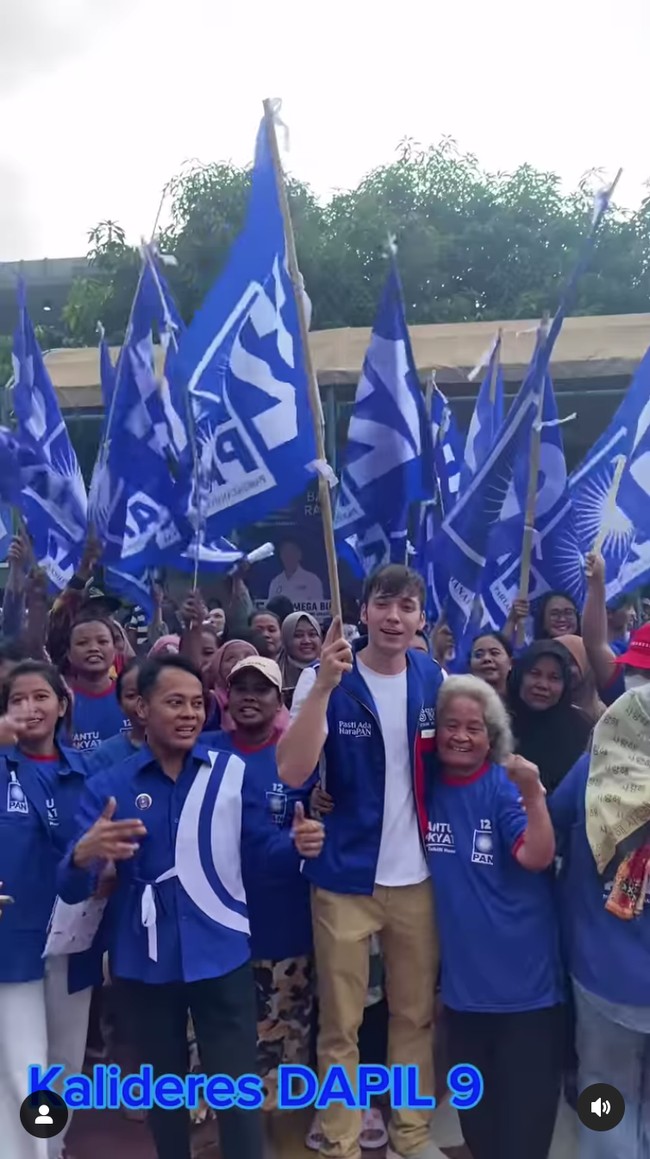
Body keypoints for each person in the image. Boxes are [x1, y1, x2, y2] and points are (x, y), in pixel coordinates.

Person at [58, 654, 323, 1159]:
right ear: (141, 708)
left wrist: (297, 845)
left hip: (222, 954)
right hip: (145, 962)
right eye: (174, 702)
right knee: (166, 1092)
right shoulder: (110, 787)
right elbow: (72, 889)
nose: (188, 714)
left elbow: (260, 851)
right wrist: (82, 857)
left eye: (197, 704)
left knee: (236, 1090)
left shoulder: (228, 774)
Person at [278, 564, 444, 1159]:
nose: (394, 617)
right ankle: (341, 1140)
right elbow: (293, 770)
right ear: (363, 611)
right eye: (383, 604)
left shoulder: (433, 676)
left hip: (417, 878)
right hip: (344, 876)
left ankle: (411, 1134)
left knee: (414, 1016)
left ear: (420, 618)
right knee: (341, 1023)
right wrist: (323, 686)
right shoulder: (327, 675)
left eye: (407, 606)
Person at [421, 675, 563, 1159]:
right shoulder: (426, 788)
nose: (460, 736)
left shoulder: (504, 787)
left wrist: (533, 794)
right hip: (464, 997)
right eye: (450, 725)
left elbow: (536, 856)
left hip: (526, 996)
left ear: (491, 736)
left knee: (522, 1135)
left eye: (474, 728)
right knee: (479, 1129)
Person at [207, 655, 322, 1154]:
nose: (250, 696)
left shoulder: (300, 759)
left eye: (263, 688)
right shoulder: (204, 754)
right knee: (220, 1048)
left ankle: (285, 1140)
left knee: (286, 1052)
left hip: (283, 931)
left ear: (280, 701)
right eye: (241, 688)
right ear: (227, 698)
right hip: (216, 934)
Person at [0, 661, 100, 1159]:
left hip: (73, 937)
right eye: (17, 699)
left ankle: (51, 1146)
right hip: (11, 937)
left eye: (40, 696)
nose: (30, 708)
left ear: (63, 705)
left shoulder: (89, 773)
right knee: (24, 1064)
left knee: (64, 1061)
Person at [549, 688, 650, 1158]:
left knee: (603, 1088)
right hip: (605, 968)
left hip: (602, 971)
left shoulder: (592, 773)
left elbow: (551, 831)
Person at [509, 640, 592, 793]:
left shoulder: (582, 729)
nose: (543, 685)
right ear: (519, 676)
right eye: (535, 674)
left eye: (554, 678)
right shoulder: (497, 723)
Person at [583, 551, 650, 704]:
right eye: (631, 669)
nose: (637, 677)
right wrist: (596, 583)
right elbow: (594, 644)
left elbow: (595, 644)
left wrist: (597, 583)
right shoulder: (620, 688)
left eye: (647, 672)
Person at [66, 614, 130, 751]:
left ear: (115, 649)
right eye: (82, 643)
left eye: (102, 641)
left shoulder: (132, 696)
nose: (93, 648)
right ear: (69, 654)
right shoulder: (61, 703)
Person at [83, 657, 147, 773]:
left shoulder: (180, 749)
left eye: (148, 692)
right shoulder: (104, 756)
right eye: (131, 696)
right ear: (120, 703)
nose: (140, 703)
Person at [554, 634, 605, 725]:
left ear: (586, 663)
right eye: (557, 663)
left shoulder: (607, 715)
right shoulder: (541, 713)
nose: (565, 670)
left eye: (570, 662)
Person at [280, 612, 322, 706]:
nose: (306, 641)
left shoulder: (332, 670)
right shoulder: (274, 673)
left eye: (312, 634)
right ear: (286, 639)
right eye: (298, 635)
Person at [268, 539, 324, 608]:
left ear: (299, 555)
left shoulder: (312, 580)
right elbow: (270, 609)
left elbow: (319, 609)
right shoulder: (275, 582)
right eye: (285, 553)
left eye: (291, 552)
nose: (288, 556)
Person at [469, 632, 513, 701]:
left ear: (511, 663)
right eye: (479, 655)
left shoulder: (524, 702)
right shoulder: (459, 701)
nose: (486, 658)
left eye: (494, 653)